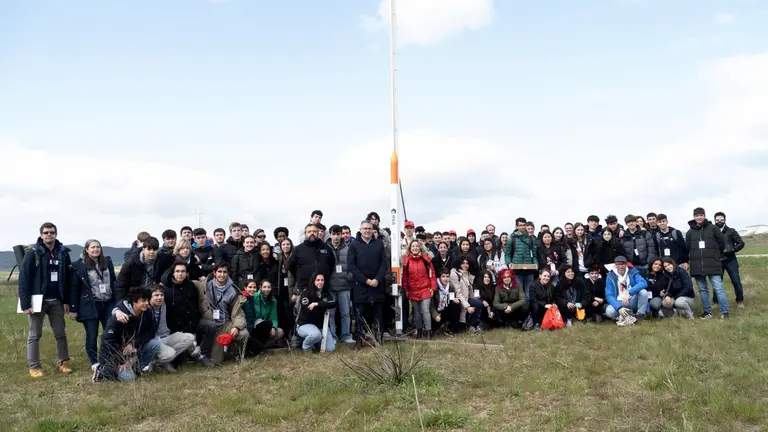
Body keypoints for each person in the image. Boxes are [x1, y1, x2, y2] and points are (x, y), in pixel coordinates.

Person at [19, 222, 72, 377]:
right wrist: (25, 303)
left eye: (52, 232)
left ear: (56, 234)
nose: (49, 235)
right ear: (41, 235)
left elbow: (67, 279)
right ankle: (34, 367)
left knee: (60, 333)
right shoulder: (33, 253)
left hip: (56, 300)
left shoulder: (63, 253)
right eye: (46, 232)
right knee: (35, 334)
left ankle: (63, 363)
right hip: (37, 301)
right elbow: (24, 278)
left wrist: (66, 300)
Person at [69, 239, 118, 372]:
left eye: (98, 247)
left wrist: (117, 302)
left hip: (108, 302)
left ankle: (110, 358)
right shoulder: (78, 265)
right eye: (93, 247)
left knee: (110, 332)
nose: (96, 249)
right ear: (86, 250)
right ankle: (94, 362)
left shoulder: (107, 262)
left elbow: (114, 282)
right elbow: (74, 288)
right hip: (90, 304)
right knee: (92, 334)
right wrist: (73, 309)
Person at [92, 286, 157, 382]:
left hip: (133, 350)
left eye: (148, 300)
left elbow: (150, 332)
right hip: (114, 354)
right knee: (128, 378)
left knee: (155, 344)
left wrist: (133, 344)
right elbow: (108, 341)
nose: (147, 303)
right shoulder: (119, 317)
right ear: (134, 301)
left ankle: (139, 368)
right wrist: (121, 360)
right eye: (143, 301)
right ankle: (100, 370)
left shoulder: (148, 312)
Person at [160, 262, 214, 367]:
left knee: (211, 326)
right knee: (180, 362)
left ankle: (204, 355)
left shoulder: (191, 286)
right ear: (173, 273)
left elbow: (194, 307)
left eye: (183, 271)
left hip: (192, 323)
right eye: (177, 271)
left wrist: (193, 324)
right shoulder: (165, 290)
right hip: (176, 329)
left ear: (187, 273)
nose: (180, 274)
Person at [195, 265, 249, 364]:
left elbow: (238, 312)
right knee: (216, 361)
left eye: (225, 272)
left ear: (228, 273)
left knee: (243, 334)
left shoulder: (233, 290)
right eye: (219, 272)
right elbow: (187, 282)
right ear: (214, 273)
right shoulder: (204, 285)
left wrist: (236, 327)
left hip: (225, 324)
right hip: (211, 325)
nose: (222, 275)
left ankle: (235, 352)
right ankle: (204, 352)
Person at [348, 220, 388, 348]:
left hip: (377, 285)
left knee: (378, 314)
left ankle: (378, 338)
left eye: (369, 228)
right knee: (360, 314)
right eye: (364, 228)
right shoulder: (354, 245)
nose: (367, 231)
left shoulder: (379, 244)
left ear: (372, 230)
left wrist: (377, 279)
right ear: (360, 230)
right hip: (361, 286)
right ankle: (360, 340)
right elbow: (352, 266)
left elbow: (384, 264)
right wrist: (365, 280)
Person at [685, 207, 728, 319]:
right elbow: (687, 248)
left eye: (701, 215)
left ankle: (725, 312)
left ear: (704, 216)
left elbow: (721, 243)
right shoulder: (690, 232)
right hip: (697, 266)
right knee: (703, 290)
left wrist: (715, 255)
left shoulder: (713, 228)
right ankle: (707, 312)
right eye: (697, 215)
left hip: (713, 264)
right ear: (694, 217)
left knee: (718, 289)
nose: (699, 217)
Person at [149, 284, 195, 372]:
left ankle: (162, 362)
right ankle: (154, 363)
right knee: (171, 353)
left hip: (166, 336)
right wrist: (117, 310)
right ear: (150, 297)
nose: (159, 298)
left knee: (189, 337)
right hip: (153, 340)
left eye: (161, 295)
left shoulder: (163, 305)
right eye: (156, 295)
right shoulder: (146, 308)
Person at [402, 240, 437, 339]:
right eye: (413, 246)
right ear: (410, 248)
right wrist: (406, 289)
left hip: (425, 288)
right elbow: (405, 277)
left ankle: (428, 332)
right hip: (413, 290)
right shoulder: (407, 261)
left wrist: (433, 288)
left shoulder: (426, 259)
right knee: (416, 311)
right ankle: (419, 331)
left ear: (420, 247)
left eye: (417, 246)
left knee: (425, 310)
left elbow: (432, 274)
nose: (415, 248)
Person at [296, 273, 337, 352]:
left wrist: (317, 304)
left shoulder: (326, 292)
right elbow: (307, 309)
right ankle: (306, 347)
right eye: (318, 280)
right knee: (316, 335)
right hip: (305, 324)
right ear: (313, 281)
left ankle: (316, 344)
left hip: (321, 326)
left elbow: (333, 303)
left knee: (330, 349)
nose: (320, 282)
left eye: (322, 280)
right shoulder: (306, 292)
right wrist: (324, 306)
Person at [242, 280, 285, 356]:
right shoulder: (254, 297)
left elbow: (273, 317)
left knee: (280, 332)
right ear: (260, 288)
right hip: (254, 325)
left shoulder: (273, 301)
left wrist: (274, 327)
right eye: (264, 287)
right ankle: (256, 347)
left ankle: (260, 347)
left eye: (269, 287)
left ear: (271, 288)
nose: (266, 289)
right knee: (265, 325)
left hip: (265, 325)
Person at [326, 225, 354, 344]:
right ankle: (332, 337)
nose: (336, 237)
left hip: (345, 287)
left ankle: (346, 336)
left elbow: (353, 266)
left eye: (338, 234)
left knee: (345, 313)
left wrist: (349, 278)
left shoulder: (348, 248)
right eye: (334, 234)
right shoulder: (325, 249)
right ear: (330, 234)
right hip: (330, 287)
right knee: (331, 315)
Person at [604, 256, 649, 326]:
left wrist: (629, 293)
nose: (621, 266)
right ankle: (627, 314)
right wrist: (619, 307)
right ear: (615, 265)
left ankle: (640, 315)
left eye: (623, 264)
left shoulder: (632, 272)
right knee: (609, 311)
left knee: (643, 292)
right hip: (619, 301)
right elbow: (609, 295)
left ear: (626, 264)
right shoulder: (610, 276)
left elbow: (643, 283)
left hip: (631, 300)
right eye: (618, 264)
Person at [714, 212, 745, 308]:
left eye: (721, 219)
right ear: (715, 220)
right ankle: (715, 301)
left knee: (736, 281)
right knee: (717, 282)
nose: (719, 221)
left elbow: (741, 243)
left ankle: (739, 301)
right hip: (717, 260)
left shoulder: (731, 231)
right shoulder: (712, 231)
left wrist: (733, 249)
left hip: (730, 260)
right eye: (717, 219)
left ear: (725, 220)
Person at [450, 257, 481, 334]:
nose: (465, 265)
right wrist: (467, 307)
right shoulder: (454, 274)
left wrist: (475, 298)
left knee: (478, 303)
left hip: (466, 298)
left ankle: (471, 325)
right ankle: (454, 326)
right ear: (459, 264)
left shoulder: (468, 274)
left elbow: (469, 290)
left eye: (467, 263)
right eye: (463, 263)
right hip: (457, 299)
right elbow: (458, 293)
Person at [431, 268, 461, 336]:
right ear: (439, 277)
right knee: (434, 325)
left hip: (444, 310)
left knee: (457, 305)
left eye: (447, 276)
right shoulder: (435, 287)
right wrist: (435, 315)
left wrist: (454, 300)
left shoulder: (450, 286)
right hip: (435, 312)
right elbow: (431, 306)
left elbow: (451, 298)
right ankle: (436, 327)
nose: (445, 279)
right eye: (443, 276)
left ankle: (450, 328)